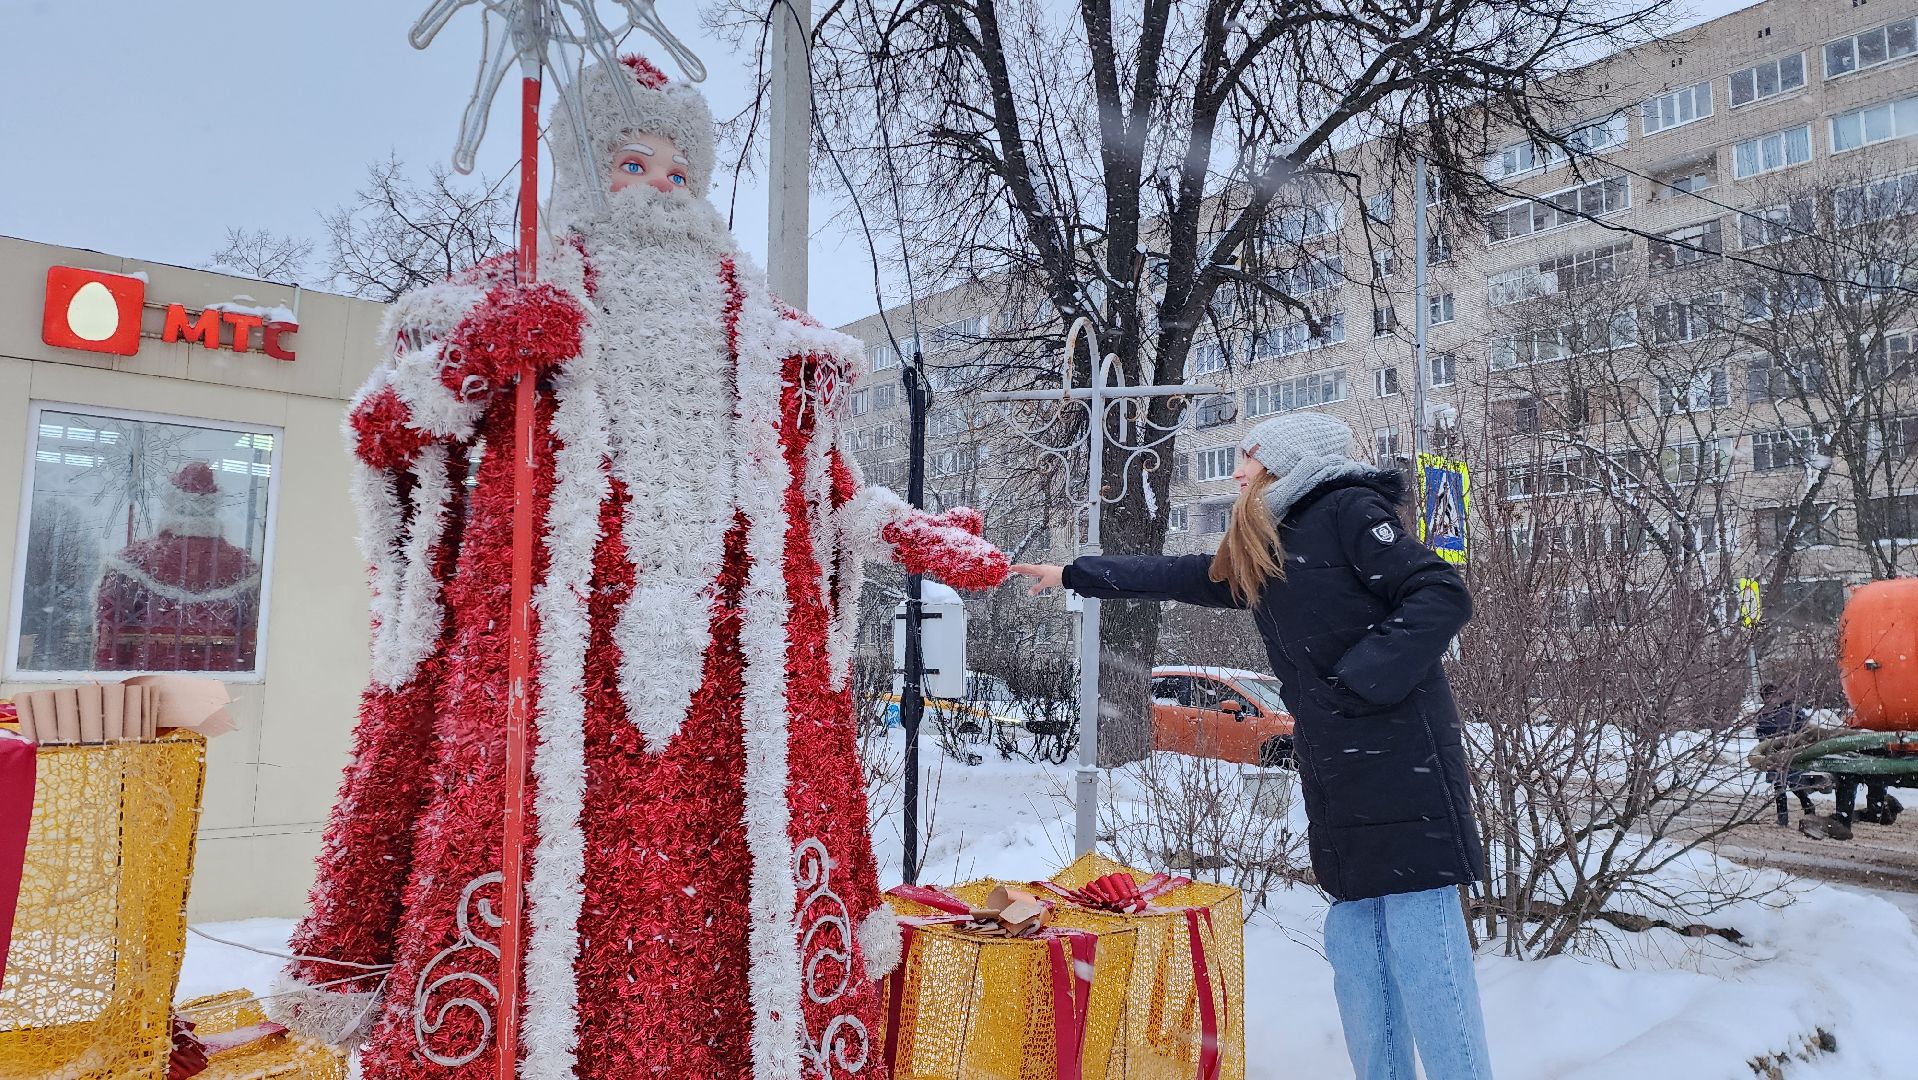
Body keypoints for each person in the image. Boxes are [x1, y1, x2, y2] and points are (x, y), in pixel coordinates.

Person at [268, 55, 1007, 1079]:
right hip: (541, 691)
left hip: (736, 714)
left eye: (679, 172)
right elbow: (384, 434)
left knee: (738, 929)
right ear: (579, 168)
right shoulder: (493, 302)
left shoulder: (773, 343)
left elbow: (828, 492)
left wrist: (912, 533)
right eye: (632, 160)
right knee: (530, 916)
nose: (661, 187)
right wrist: (481, 357)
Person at [1013, 412, 1492, 1080]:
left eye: (1249, 458)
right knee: (1357, 949)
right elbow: (1182, 574)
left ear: (1287, 464)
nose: (1237, 471)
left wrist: (1355, 685)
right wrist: (1076, 573)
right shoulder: (1273, 538)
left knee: (1421, 944)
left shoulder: (1348, 510)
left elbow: (1440, 592)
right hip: (1339, 769)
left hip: (1400, 760)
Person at [1752, 683, 1818, 825]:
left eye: (1773, 695)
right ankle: (1784, 817)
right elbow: (1762, 735)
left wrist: (1795, 741)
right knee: (1779, 785)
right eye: (1767, 697)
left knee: (1793, 783)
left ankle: (1807, 805)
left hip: (1791, 752)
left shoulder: (1791, 711)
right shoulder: (1764, 716)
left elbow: (1803, 727)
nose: (1770, 699)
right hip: (1774, 755)